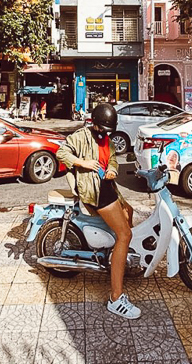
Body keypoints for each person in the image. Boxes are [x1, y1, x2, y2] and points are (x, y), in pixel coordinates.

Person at [55, 103, 139, 320]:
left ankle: (118, 260)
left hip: (108, 187)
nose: (105, 134)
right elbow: (61, 153)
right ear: (94, 123)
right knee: (125, 235)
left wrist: (112, 170)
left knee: (129, 213)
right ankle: (116, 298)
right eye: (102, 129)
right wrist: (81, 162)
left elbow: (112, 160)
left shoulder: (107, 140)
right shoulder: (81, 136)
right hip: (93, 191)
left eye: (108, 131)